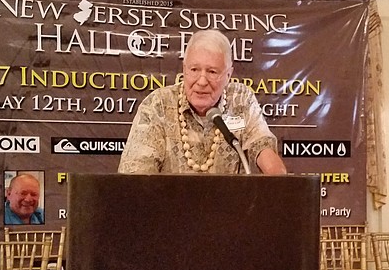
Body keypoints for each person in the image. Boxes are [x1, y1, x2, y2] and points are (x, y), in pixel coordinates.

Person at [118, 29, 287, 175]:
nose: (202, 81)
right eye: (194, 70)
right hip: (169, 209)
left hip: (231, 209)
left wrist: (278, 180)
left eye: (212, 72)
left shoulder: (241, 100)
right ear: (184, 69)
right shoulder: (158, 105)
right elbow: (136, 175)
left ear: (228, 75)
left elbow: (262, 145)